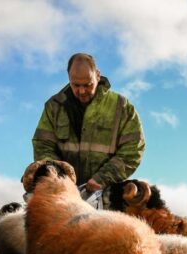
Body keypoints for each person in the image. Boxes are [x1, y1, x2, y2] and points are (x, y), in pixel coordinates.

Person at [32, 53, 144, 193]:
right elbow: (42, 146)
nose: (82, 91)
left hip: (107, 192)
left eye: (88, 84)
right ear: (69, 78)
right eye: (76, 85)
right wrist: (61, 178)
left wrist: (103, 178)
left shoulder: (121, 107)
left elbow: (133, 150)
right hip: (63, 193)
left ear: (97, 75)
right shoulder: (54, 106)